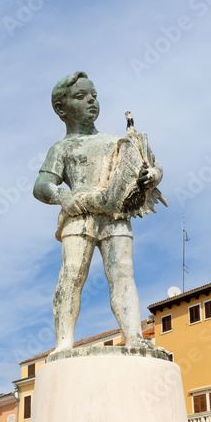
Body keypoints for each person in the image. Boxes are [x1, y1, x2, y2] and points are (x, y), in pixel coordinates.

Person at [33, 72, 162, 353]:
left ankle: (134, 337)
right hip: (78, 214)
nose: (91, 100)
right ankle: (63, 344)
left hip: (115, 214)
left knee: (122, 272)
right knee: (72, 274)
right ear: (61, 108)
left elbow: (148, 164)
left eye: (93, 95)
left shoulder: (115, 141)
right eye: (81, 96)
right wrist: (63, 197)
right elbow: (42, 185)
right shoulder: (62, 148)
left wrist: (153, 174)